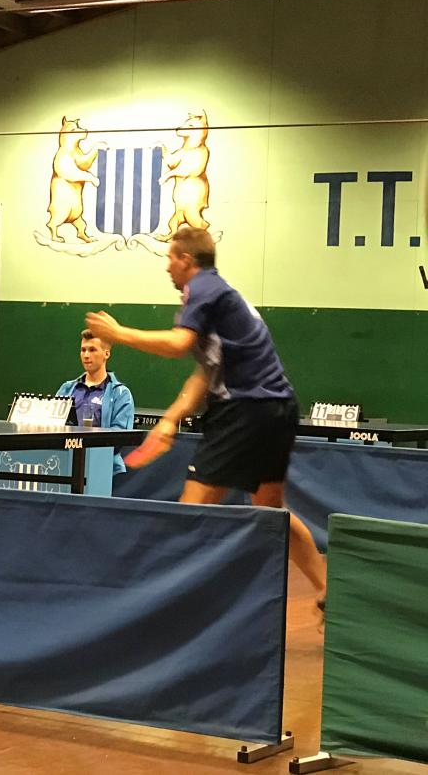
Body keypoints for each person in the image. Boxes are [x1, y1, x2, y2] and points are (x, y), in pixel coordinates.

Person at [84, 226, 326, 608]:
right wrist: (171, 418)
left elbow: (179, 345)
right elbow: (204, 372)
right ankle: (328, 588)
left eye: (170, 259)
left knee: (193, 509)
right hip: (278, 409)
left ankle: (175, 603)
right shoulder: (219, 296)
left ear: (187, 260)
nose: (166, 267)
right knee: (270, 512)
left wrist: (118, 333)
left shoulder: (202, 288)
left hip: (245, 409)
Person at [56, 329, 135, 475]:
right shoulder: (67, 389)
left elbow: (119, 438)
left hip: (104, 470)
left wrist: (86, 448)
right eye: (83, 350)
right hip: (65, 466)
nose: (86, 355)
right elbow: (52, 426)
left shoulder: (121, 394)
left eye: (92, 350)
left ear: (106, 354)